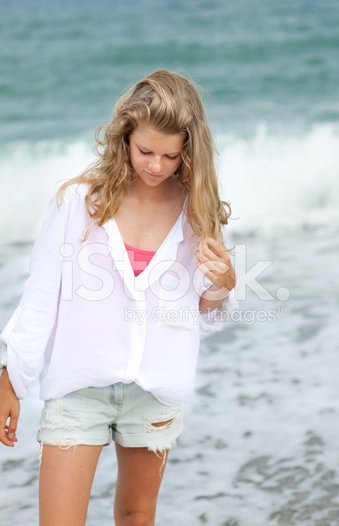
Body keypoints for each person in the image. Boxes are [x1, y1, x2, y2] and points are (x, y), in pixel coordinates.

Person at [0, 70, 238, 526]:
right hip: (78, 389)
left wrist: (224, 282)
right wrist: (11, 378)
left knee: (135, 516)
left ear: (189, 150)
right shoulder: (79, 202)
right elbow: (40, 296)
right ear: (123, 137)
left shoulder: (198, 211)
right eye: (145, 150)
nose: (155, 165)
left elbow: (202, 314)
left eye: (170, 155)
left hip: (155, 396)